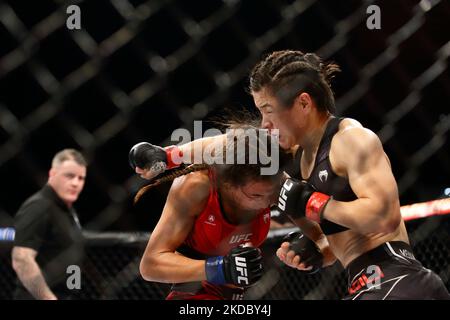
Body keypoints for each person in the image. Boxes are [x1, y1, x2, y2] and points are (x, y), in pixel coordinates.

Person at [131, 50, 450, 300]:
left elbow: (382, 217)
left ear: (303, 103)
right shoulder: (293, 154)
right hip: (367, 282)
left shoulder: (350, 139)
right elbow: (234, 142)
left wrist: (312, 203)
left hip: (397, 279)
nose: (264, 122)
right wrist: (169, 156)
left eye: (268, 110)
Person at [131, 127, 335, 300]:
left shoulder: (279, 186)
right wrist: (220, 268)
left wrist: (313, 257)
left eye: (271, 194)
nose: (266, 202)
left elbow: (327, 241)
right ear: (228, 182)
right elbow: (150, 265)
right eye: (255, 195)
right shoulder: (196, 186)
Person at [12, 149, 86, 300]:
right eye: (70, 176)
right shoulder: (39, 206)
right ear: (52, 174)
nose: (75, 183)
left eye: (81, 178)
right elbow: (21, 258)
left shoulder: (66, 210)